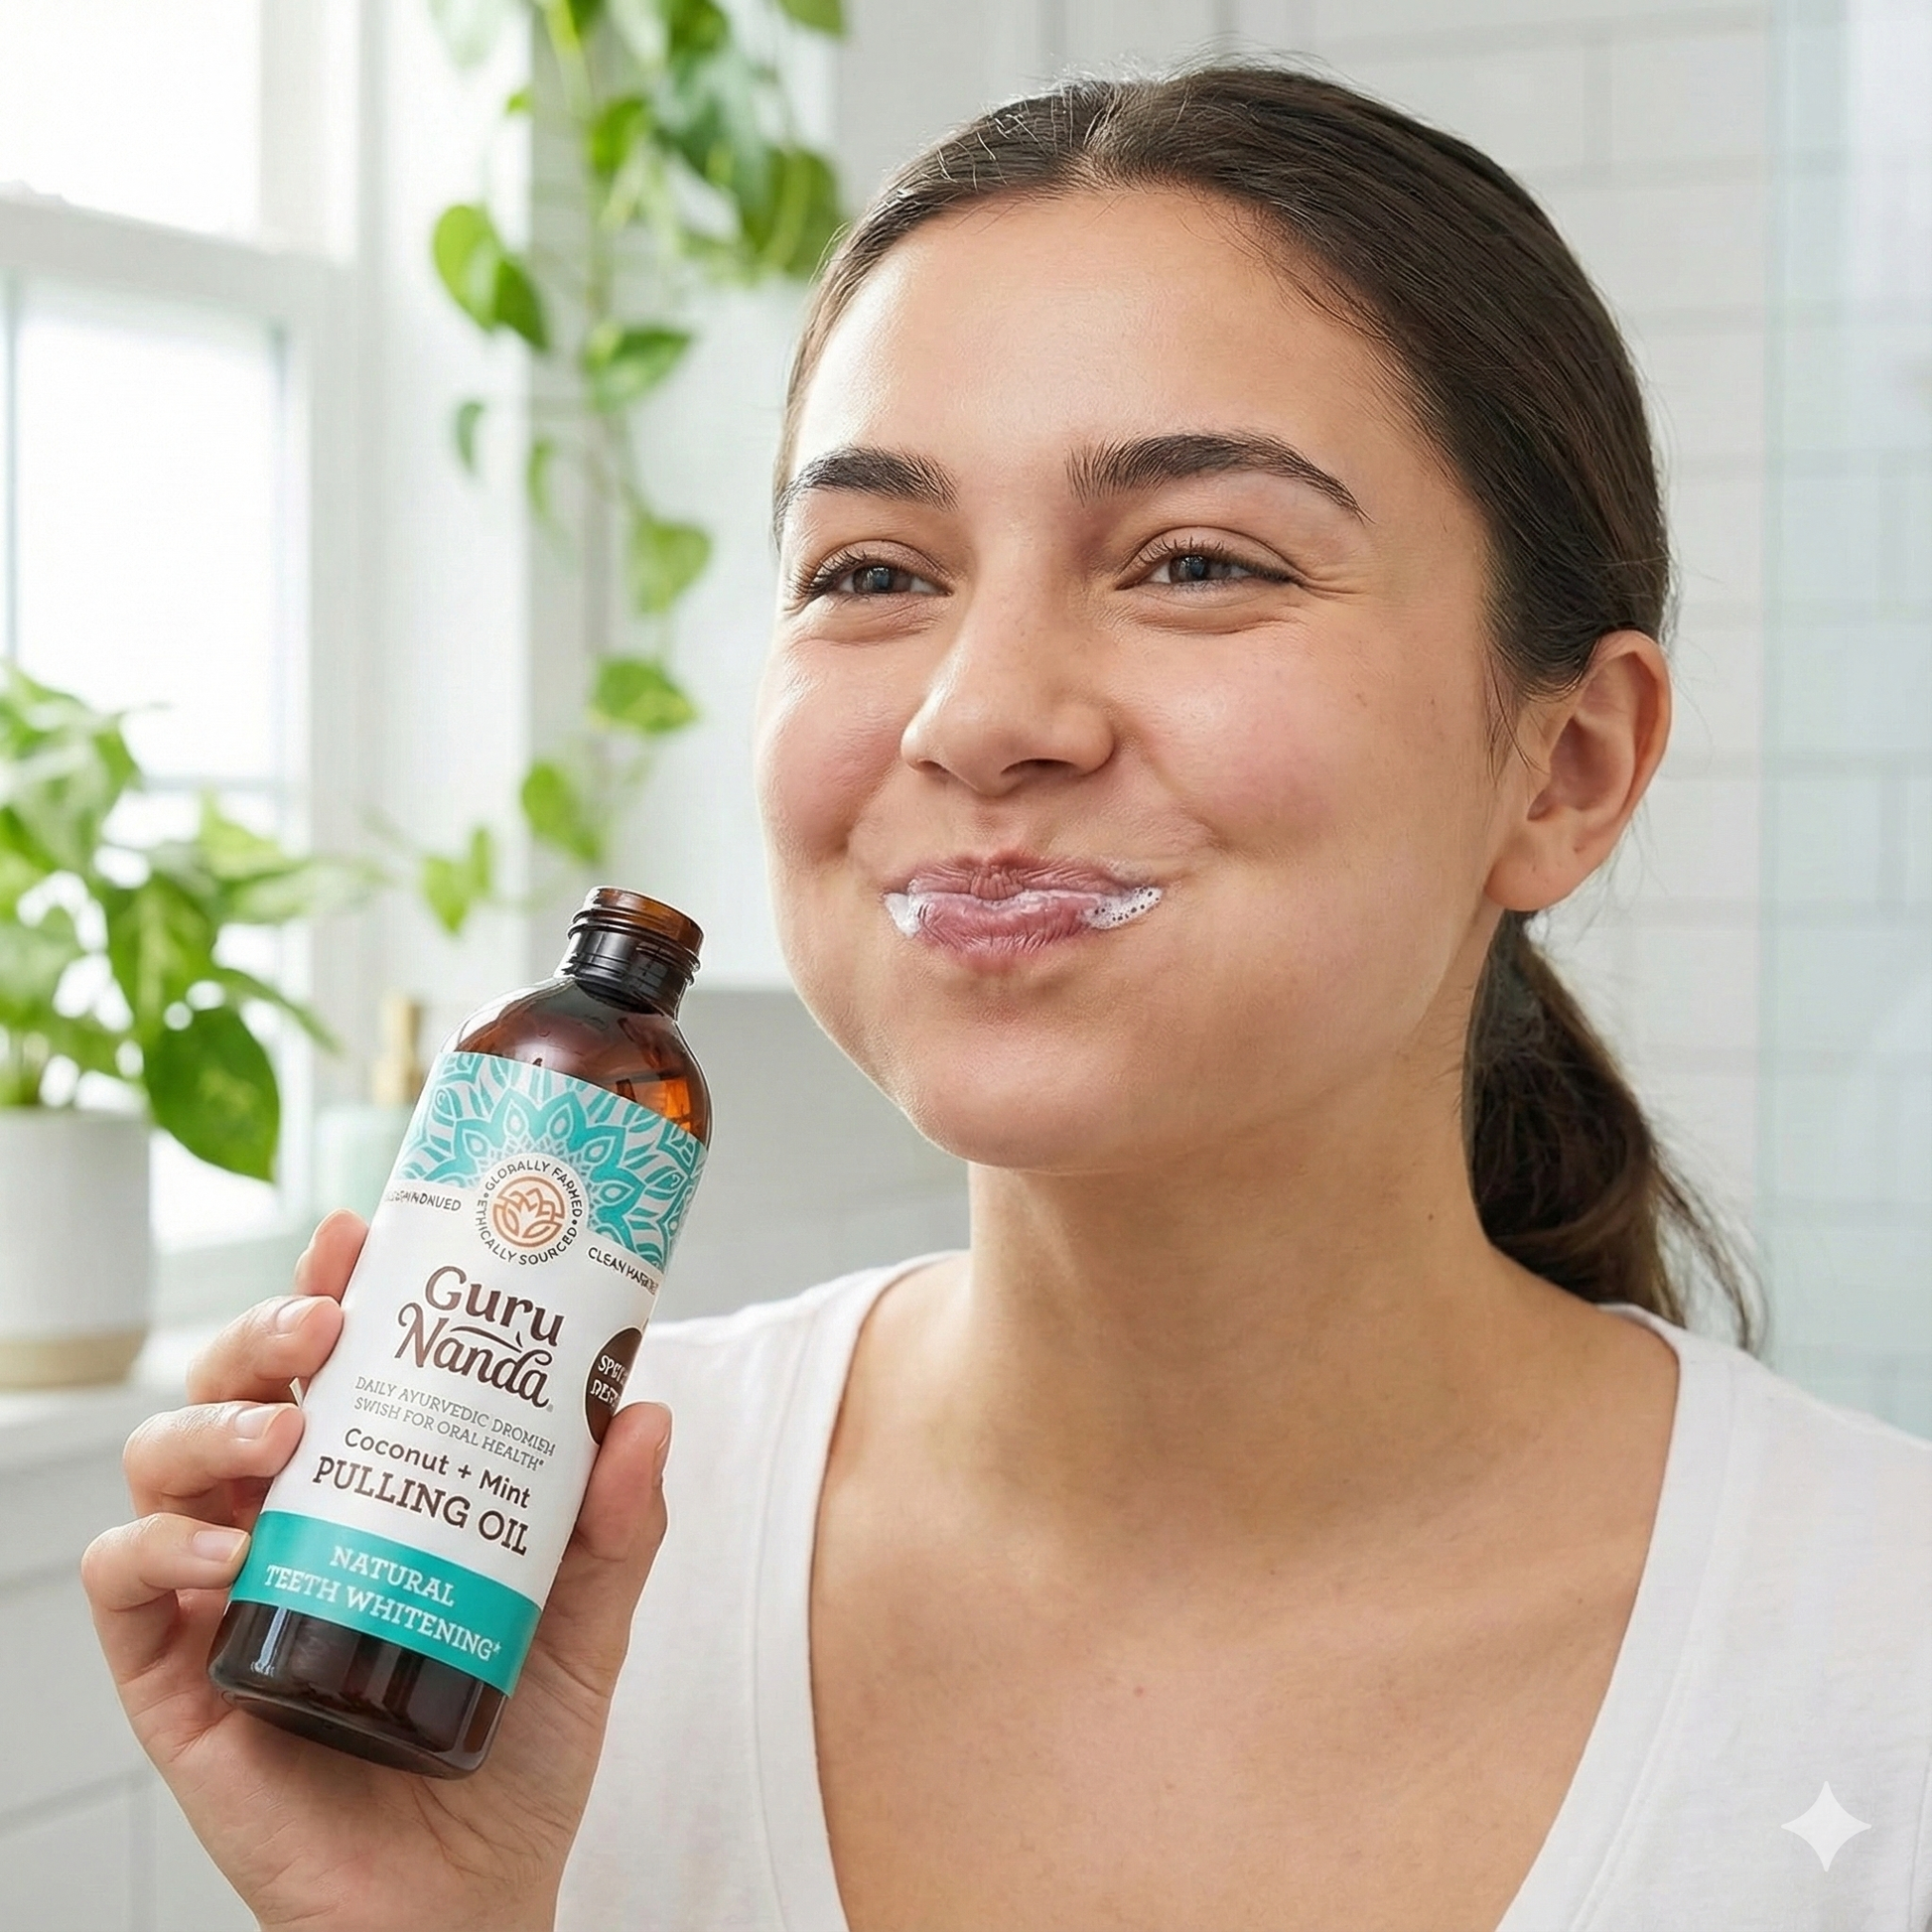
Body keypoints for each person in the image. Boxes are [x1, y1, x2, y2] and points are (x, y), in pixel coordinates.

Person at [82, 63, 1932, 1932]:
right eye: (873, 570)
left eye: (1196, 561)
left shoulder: (1878, 1653)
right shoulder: (516, 1573)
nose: (975, 714)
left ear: (1567, 767)